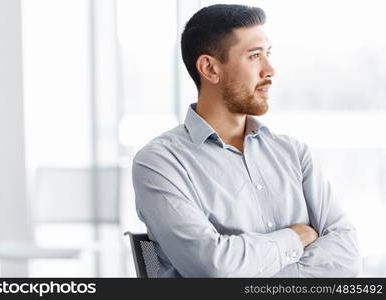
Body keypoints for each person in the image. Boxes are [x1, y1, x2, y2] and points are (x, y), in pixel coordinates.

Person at [132, 4, 362, 277]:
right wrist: (293, 238)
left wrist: (250, 268)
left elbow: (347, 257)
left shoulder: (293, 154)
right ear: (210, 68)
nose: (270, 70)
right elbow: (213, 268)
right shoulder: (160, 163)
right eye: (254, 56)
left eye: (268, 54)